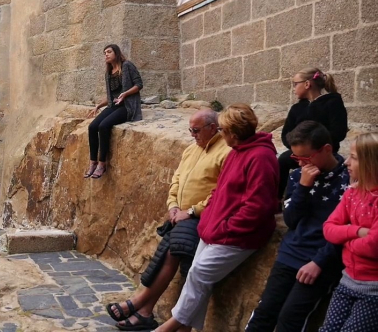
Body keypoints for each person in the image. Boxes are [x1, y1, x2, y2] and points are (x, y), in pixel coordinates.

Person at [154, 104, 279, 332]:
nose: (220, 134)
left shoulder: (261, 157)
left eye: (222, 130)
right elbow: (219, 190)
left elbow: (257, 207)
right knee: (197, 274)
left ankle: (170, 327)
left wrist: (224, 227)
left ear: (233, 132)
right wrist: (211, 217)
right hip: (215, 228)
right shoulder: (237, 152)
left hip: (238, 235)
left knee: (200, 272)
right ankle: (184, 329)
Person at [109, 109, 231, 330]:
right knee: (167, 247)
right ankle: (144, 311)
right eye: (190, 130)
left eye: (196, 130)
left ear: (212, 128)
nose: (192, 134)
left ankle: (140, 305)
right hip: (181, 215)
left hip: (201, 217)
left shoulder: (225, 151)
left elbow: (220, 192)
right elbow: (177, 179)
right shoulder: (191, 149)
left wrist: (192, 211)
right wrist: (173, 205)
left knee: (175, 249)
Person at [246, 121, 348, 332]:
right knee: (265, 313)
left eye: (306, 158)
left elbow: (347, 230)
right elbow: (291, 219)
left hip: (321, 261)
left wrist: (319, 262)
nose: (301, 164)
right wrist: (303, 187)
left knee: (290, 319)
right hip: (290, 254)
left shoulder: (348, 180)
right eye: (296, 158)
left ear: (326, 149)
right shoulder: (297, 176)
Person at [320, 133, 378, 332]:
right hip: (347, 281)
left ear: (370, 162)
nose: (346, 162)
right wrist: (357, 231)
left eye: (353, 157)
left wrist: (345, 240)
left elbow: (373, 246)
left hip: (373, 290)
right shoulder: (352, 194)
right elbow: (328, 229)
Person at [279, 68, 347, 199]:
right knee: (283, 160)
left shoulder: (333, 103)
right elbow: (286, 133)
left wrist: (316, 146)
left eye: (295, 84)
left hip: (324, 151)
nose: (293, 88)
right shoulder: (297, 108)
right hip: (300, 154)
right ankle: (277, 198)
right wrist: (298, 150)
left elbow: (339, 131)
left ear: (307, 84)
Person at [85, 44, 143, 179]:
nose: (106, 54)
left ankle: (102, 163)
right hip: (114, 106)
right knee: (92, 127)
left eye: (109, 51)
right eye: (104, 52)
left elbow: (139, 84)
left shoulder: (127, 66)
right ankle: (92, 162)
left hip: (127, 106)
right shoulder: (108, 73)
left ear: (116, 53)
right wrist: (98, 106)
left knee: (103, 126)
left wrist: (125, 94)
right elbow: (111, 97)